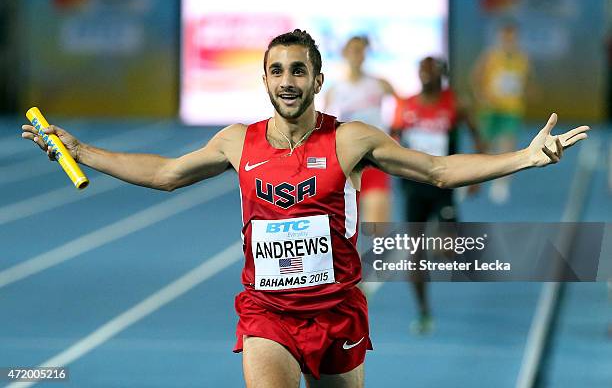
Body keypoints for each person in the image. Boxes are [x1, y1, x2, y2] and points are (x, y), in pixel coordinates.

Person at [22, 29, 588, 388]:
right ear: (265, 79)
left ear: (317, 79)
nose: (287, 81)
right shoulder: (237, 142)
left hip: (337, 311)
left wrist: (523, 157)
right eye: (276, 70)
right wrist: (83, 151)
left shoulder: (350, 140)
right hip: (267, 313)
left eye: (298, 71)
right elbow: (167, 174)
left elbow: (437, 170)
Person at [391, 56, 486, 334]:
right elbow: (391, 138)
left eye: (430, 71)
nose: (425, 75)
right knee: (415, 254)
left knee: (448, 250)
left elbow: (477, 136)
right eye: (421, 70)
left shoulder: (455, 103)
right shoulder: (406, 105)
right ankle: (423, 311)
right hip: (413, 187)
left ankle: (443, 236)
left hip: (444, 183)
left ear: (440, 74)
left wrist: (477, 174)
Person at [324, 35, 395, 223]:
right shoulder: (335, 90)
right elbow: (323, 126)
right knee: (345, 232)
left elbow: (402, 110)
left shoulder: (380, 84)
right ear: (344, 54)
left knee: (376, 227)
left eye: (362, 50)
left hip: (374, 160)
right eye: (354, 50)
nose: (358, 55)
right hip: (348, 164)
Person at [471, 22, 533, 204]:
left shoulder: (523, 58)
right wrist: (480, 95)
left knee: (507, 145)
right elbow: (476, 76)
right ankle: (473, 180)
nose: (509, 41)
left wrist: (528, 91)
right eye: (506, 37)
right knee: (485, 146)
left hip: (511, 109)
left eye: (512, 38)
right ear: (500, 38)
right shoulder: (491, 56)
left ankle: (501, 184)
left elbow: (527, 81)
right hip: (491, 109)